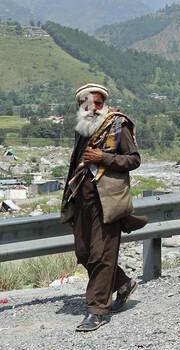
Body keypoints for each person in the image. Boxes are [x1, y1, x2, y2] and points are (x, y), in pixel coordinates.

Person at [60, 83, 147, 331]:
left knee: (102, 255)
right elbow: (75, 166)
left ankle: (98, 311)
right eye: (88, 103)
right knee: (85, 253)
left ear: (103, 103)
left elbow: (134, 159)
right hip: (82, 200)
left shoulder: (118, 125)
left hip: (108, 201)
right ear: (80, 106)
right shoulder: (82, 129)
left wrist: (103, 158)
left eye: (98, 103)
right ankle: (122, 283)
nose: (93, 108)